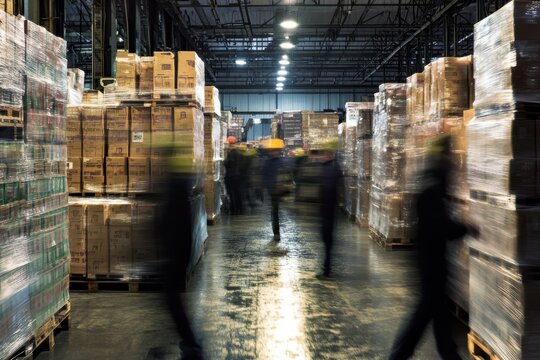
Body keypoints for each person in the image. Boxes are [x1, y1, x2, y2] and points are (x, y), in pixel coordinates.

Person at [389, 135, 479, 360]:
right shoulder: (433, 186)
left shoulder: (433, 182)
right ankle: (400, 355)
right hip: (431, 262)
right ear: (442, 155)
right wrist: (466, 228)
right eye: (449, 152)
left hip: (432, 258)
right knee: (426, 314)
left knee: (438, 314)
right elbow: (440, 225)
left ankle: (448, 354)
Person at [154, 137, 203, 360]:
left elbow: (171, 219)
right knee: (170, 301)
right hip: (176, 251)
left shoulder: (175, 183)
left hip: (175, 252)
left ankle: (191, 345)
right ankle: (188, 342)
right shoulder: (180, 181)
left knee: (172, 301)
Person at [313, 139, 341, 278]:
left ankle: (327, 270)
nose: (321, 156)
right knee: (326, 241)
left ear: (329, 155)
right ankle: (326, 268)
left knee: (327, 241)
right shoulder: (328, 167)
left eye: (323, 154)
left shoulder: (331, 168)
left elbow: (328, 188)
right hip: (326, 210)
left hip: (328, 210)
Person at [262, 138, 288, 241]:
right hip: (273, 191)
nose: (275, 152)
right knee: (275, 212)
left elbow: (287, 175)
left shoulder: (281, 162)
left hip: (280, 189)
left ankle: (276, 232)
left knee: (276, 211)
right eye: (273, 150)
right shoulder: (268, 162)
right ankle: (276, 233)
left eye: (276, 150)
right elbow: (265, 176)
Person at [224, 137, 243, 215]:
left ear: (230, 144)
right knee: (238, 193)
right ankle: (240, 210)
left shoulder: (232, 153)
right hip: (238, 176)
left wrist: (225, 161)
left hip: (231, 176)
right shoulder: (239, 152)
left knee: (232, 193)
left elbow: (226, 163)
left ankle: (234, 210)